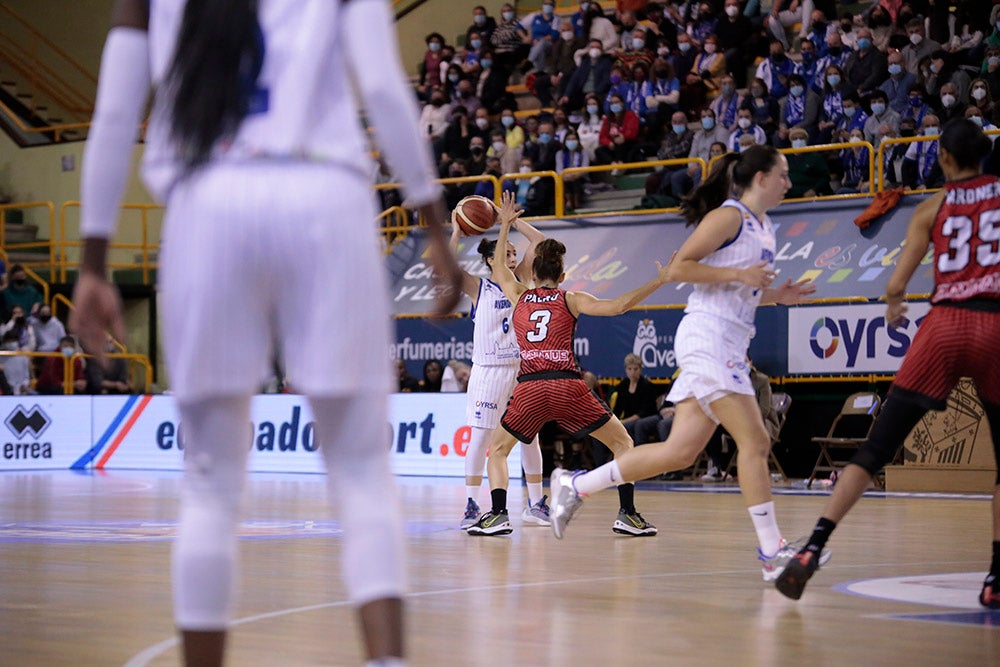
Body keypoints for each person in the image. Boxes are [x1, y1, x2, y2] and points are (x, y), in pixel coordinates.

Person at [71, 2, 462, 666]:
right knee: (364, 472)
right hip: (325, 199)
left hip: (208, 203)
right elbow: (382, 87)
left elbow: (113, 113)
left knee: (209, 483)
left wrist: (93, 261)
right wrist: (433, 226)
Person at [549, 145, 823, 583]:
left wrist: (775, 295)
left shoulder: (764, 226)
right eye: (783, 174)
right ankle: (773, 553)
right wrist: (740, 276)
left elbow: (741, 288)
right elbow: (679, 268)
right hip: (709, 338)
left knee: (681, 452)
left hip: (726, 340)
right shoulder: (729, 216)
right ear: (759, 178)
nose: (789, 182)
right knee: (754, 443)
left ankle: (575, 486)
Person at [775, 119, 1000, 609]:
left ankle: (812, 548)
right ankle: (996, 577)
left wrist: (896, 305)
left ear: (943, 159)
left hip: (944, 325)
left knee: (873, 451)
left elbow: (896, 285)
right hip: (994, 324)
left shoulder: (931, 208)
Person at [467, 192, 671, 538]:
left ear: (532, 271)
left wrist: (504, 226)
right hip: (567, 386)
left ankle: (497, 514)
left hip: (530, 387)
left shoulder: (518, 296)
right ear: (562, 275)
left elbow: (500, 267)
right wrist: (659, 281)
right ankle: (628, 513)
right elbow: (620, 305)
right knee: (623, 444)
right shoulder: (571, 298)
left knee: (498, 451)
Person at [449, 207, 548, 530]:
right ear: (491, 260)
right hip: (489, 370)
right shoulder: (479, 288)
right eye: (505, 252)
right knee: (481, 439)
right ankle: (472, 503)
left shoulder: (518, 280)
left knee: (529, 436)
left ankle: (536, 503)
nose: (512, 255)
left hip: (521, 368)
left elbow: (540, 240)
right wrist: (456, 233)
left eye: (513, 252)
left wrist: (510, 219)